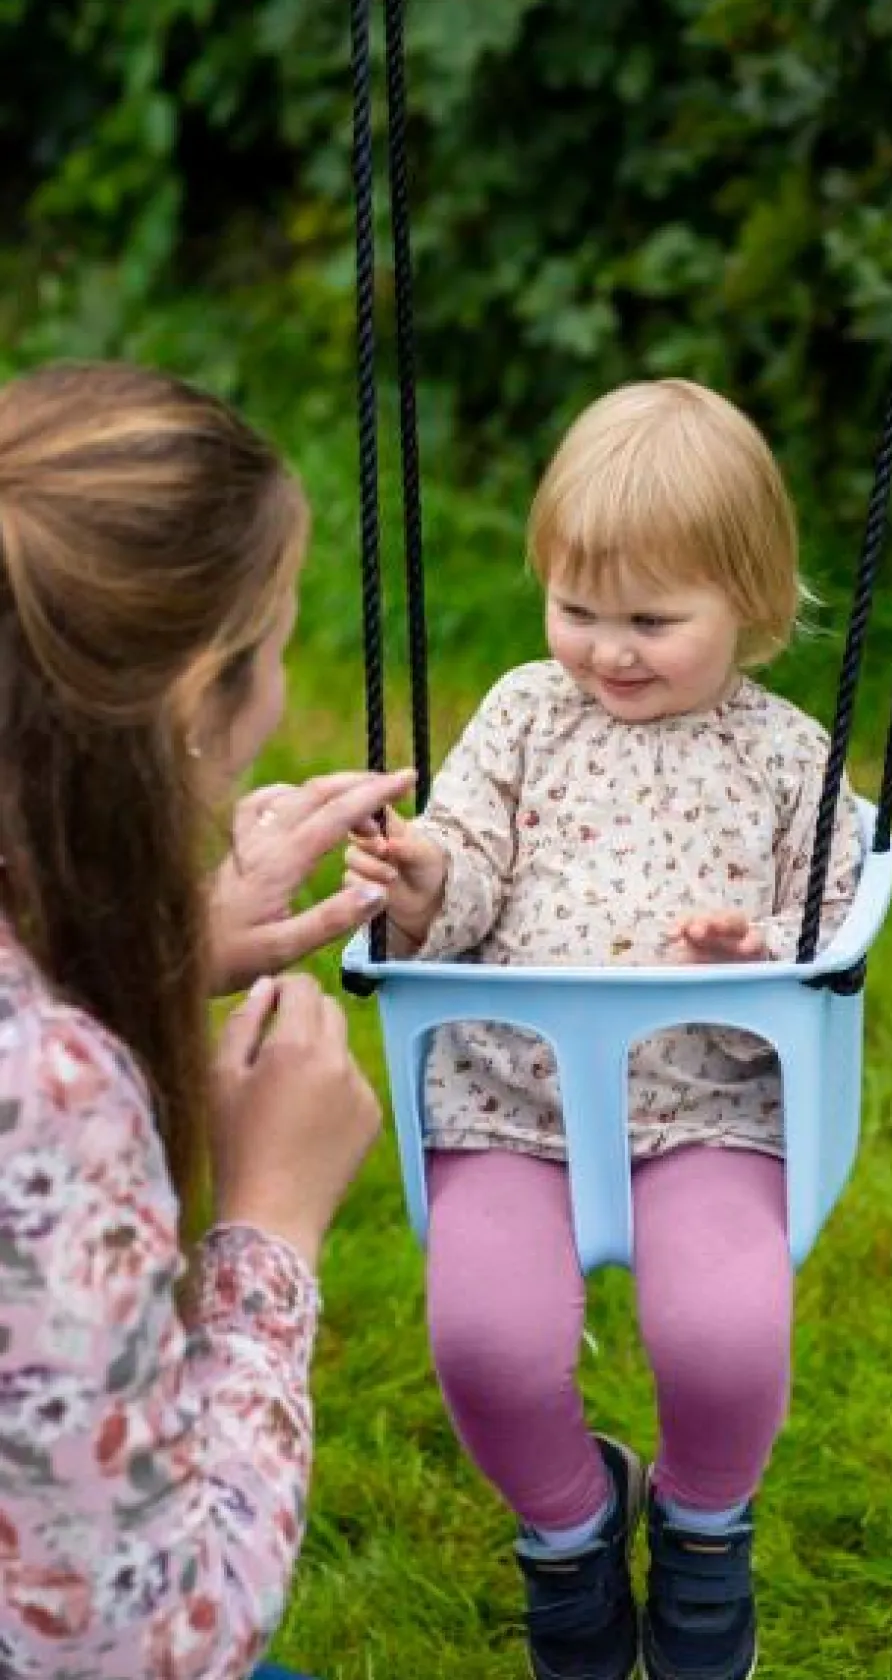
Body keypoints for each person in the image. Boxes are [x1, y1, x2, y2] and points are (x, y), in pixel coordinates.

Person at [346, 378, 864, 1680]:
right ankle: (572, 1530)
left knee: (725, 1336)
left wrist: (763, 954)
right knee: (486, 1345)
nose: (607, 650)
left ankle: (701, 1525)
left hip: (707, 1102)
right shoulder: (525, 711)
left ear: (748, 606)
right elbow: (464, 867)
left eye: (651, 619)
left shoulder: (787, 754)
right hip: (508, 1105)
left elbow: (838, 907)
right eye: (577, 609)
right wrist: (422, 883)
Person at [0, 360, 414, 1679]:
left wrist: (161, 947)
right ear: (198, 699)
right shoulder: (53, 1104)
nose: (287, 688)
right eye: (283, 638)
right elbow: (150, 1643)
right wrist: (270, 1224)